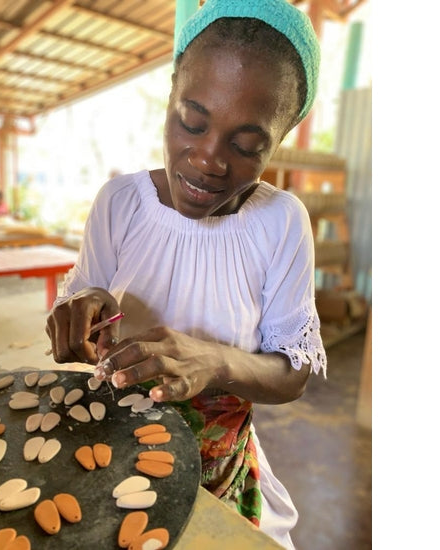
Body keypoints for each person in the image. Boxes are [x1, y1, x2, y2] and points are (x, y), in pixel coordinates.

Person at [46, 1, 326, 548]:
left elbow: (292, 373)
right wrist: (81, 315)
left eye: (246, 146)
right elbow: (78, 323)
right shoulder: (120, 204)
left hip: (219, 480)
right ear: (172, 91)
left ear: (282, 136)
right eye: (191, 123)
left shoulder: (281, 223)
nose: (207, 159)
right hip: (114, 469)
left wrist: (216, 361)